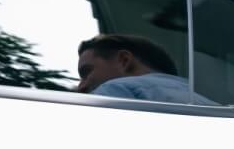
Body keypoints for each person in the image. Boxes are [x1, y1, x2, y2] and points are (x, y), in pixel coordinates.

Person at [76, 34, 216, 105]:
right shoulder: (209, 102)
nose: (81, 87)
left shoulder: (117, 89)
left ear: (124, 60)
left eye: (86, 72)